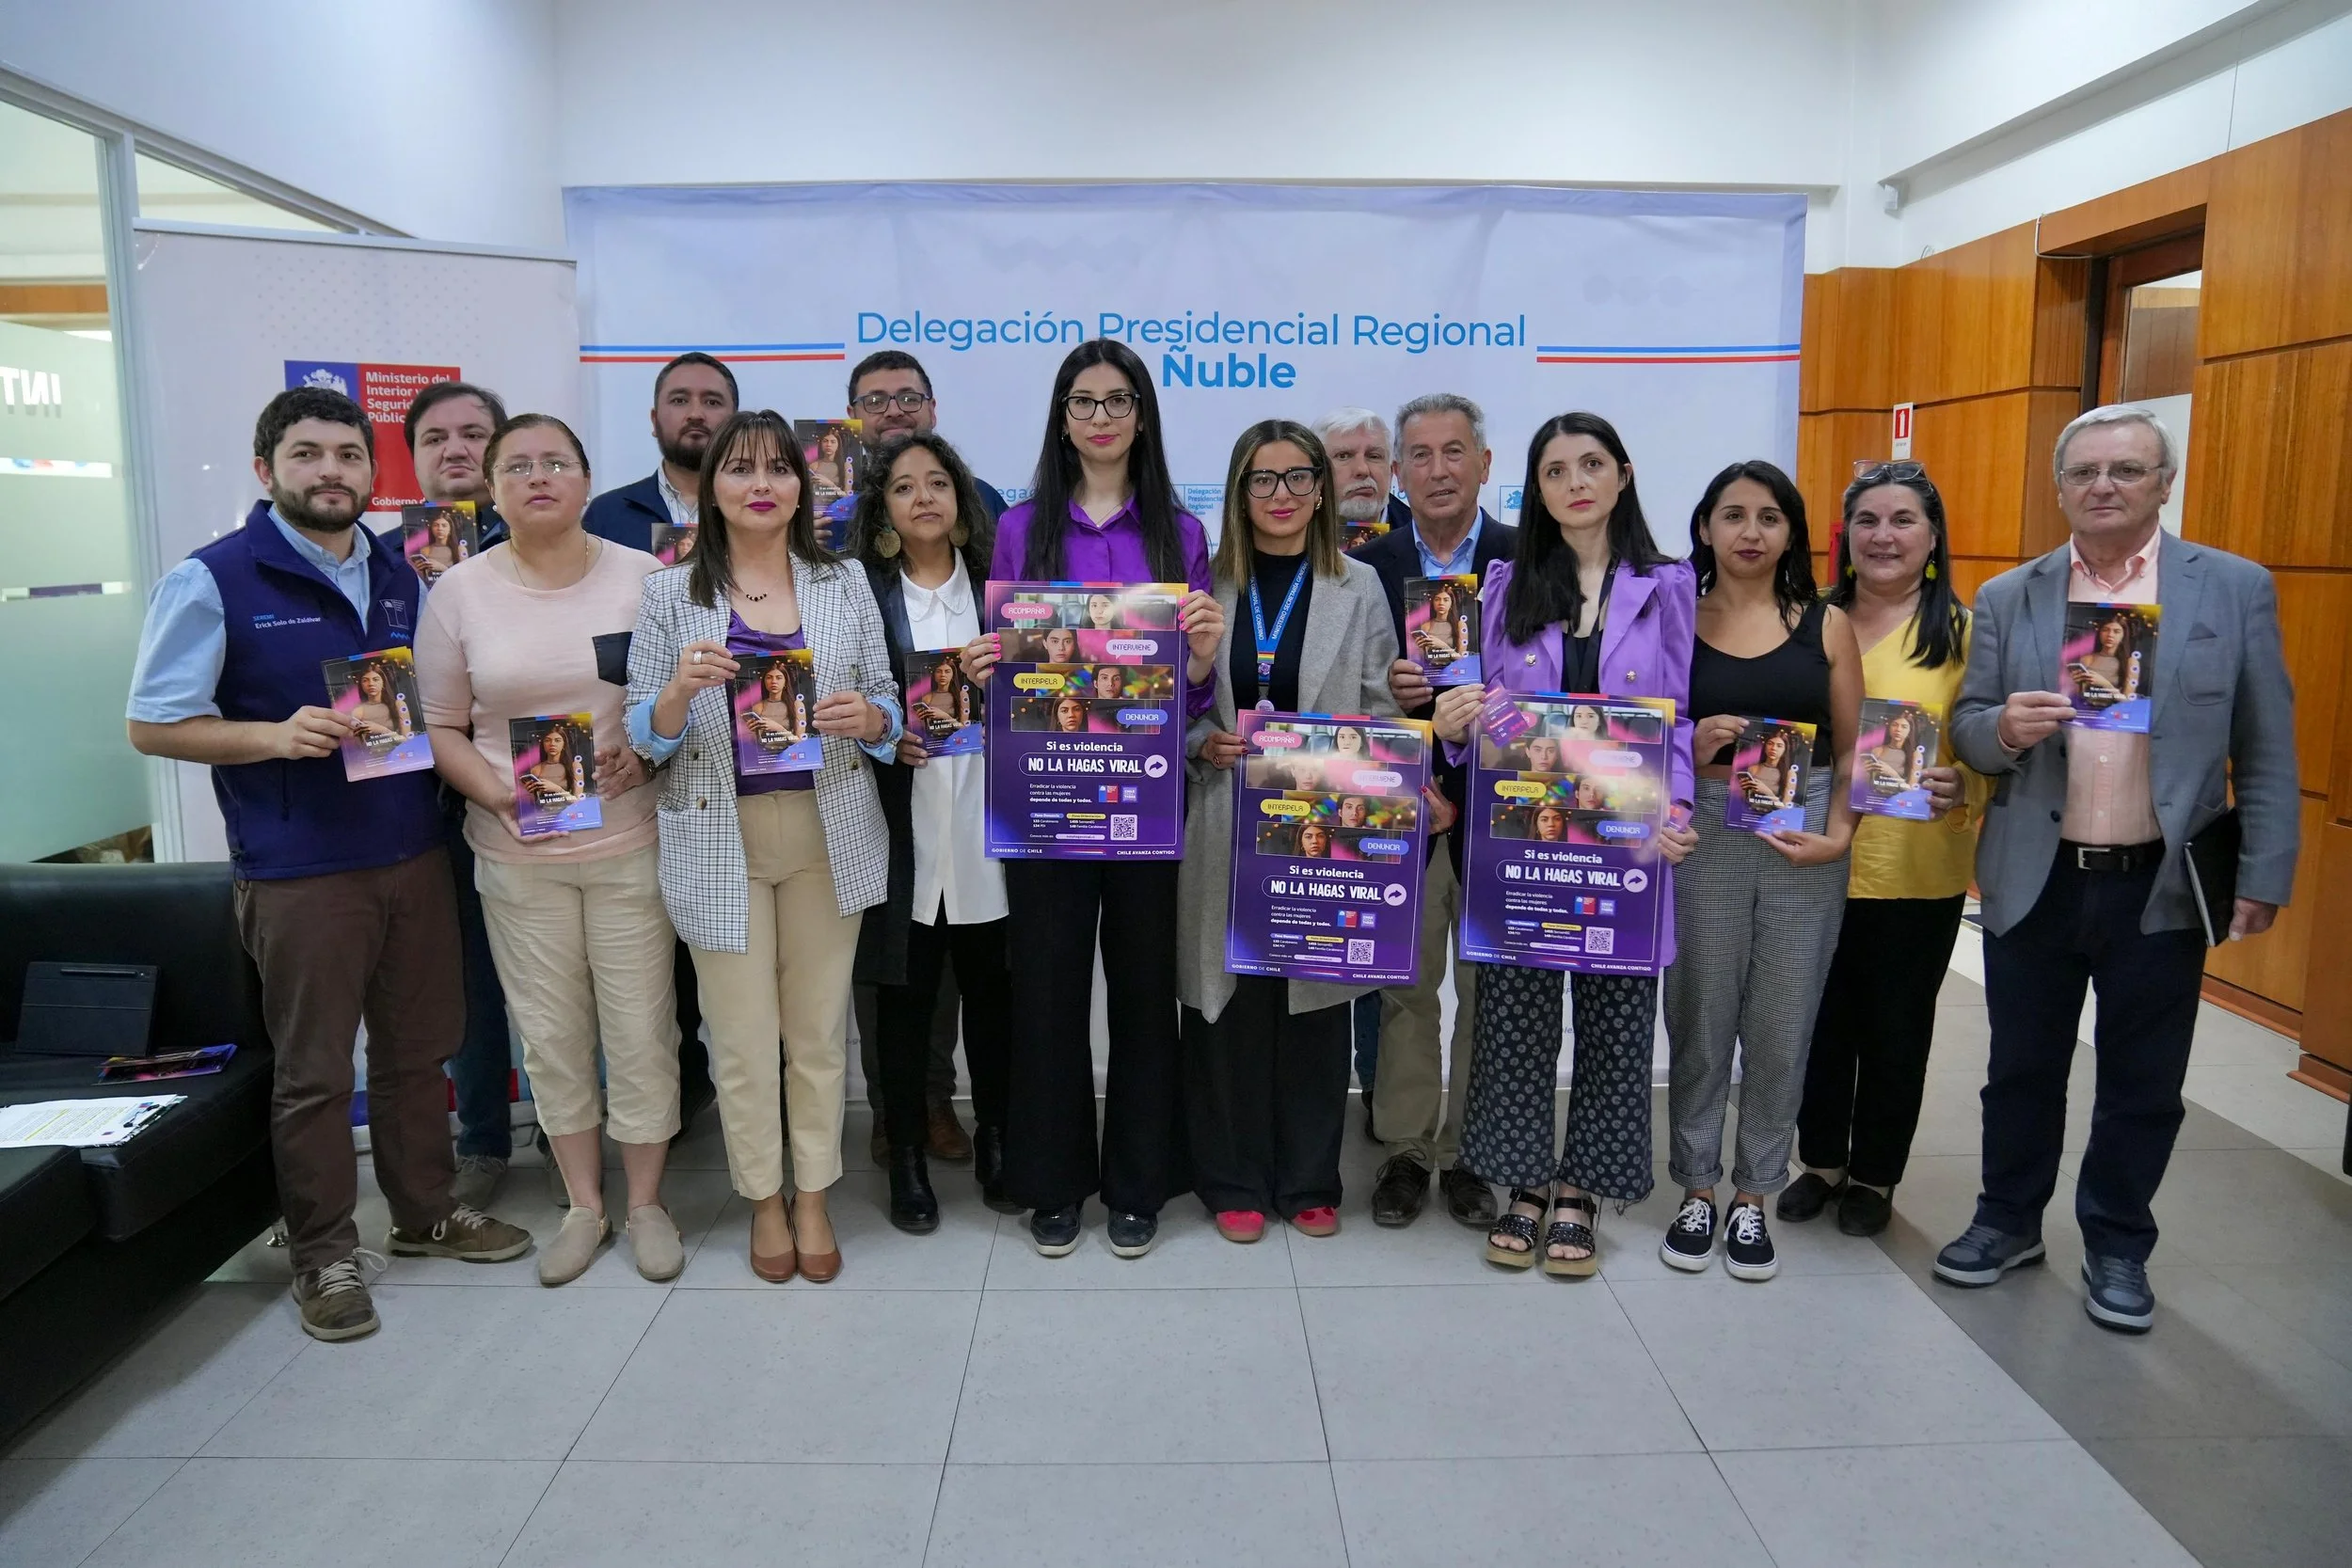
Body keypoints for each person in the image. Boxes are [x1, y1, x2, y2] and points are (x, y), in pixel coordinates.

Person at [125, 388, 531, 1342]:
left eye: (348, 454)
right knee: (313, 1072)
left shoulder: (402, 568)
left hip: (411, 848)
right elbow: (151, 723)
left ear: (372, 471)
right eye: (307, 455)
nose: (331, 472)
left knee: (413, 1051)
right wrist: (271, 734)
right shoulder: (213, 578)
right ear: (266, 471)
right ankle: (323, 1252)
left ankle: (427, 1211)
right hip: (299, 868)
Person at [1936, 404, 2296, 1333]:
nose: (2104, 485)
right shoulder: (2015, 593)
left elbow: (2265, 744)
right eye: (2086, 471)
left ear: (2163, 481)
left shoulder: (2230, 589)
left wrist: (2263, 869)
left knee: (2144, 1077)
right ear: (2059, 486)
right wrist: (2002, 729)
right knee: (2018, 1066)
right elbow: (1968, 726)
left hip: (2160, 880)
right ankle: (2006, 1218)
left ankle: (2119, 1241)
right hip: (2037, 871)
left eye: (2127, 470)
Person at [627, 409, 903, 1285]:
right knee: (742, 1039)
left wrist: (874, 719)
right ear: (709, 486)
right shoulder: (671, 592)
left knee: (818, 1033)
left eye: (779, 469)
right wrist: (677, 689)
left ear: (802, 485)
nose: (761, 484)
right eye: (740, 468)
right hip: (717, 833)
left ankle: (814, 1195)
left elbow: (890, 707)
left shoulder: (844, 581)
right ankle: (762, 1199)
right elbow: (645, 737)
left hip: (828, 828)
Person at [414, 413, 685, 1285]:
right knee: (553, 1035)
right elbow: (440, 726)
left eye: (557, 462)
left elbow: (676, 709)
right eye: (518, 464)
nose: (539, 476)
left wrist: (642, 751)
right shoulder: (457, 592)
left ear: (585, 478)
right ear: (491, 488)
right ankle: (584, 1204)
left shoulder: (646, 580)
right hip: (514, 852)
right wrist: (495, 792)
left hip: (628, 841)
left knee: (643, 1029)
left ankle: (644, 1203)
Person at [1431, 411, 1696, 1275]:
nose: (1576, 481)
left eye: (1591, 464)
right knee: (1515, 1018)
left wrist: (1679, 807)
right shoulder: (1503, 585)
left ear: (1622, 475)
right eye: (1556, 470)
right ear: (1536, 489)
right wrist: (1456, 721)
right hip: (1526, 846)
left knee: (1618, 1024)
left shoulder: (1669, 585)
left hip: (1628, 842)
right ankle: (1524, 1185)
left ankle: (1582, 1187)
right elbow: (1479, 720)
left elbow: (1680, 717)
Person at [988, 339, 1223, 1259]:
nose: (1099, 416)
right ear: (1061, 416)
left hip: (1144, 797)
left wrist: (1199, 657)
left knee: (1140, 991)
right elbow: (1005, 666)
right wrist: (988, 656)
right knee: (1043, 992)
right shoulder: (1018, 529)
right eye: (1082, 401)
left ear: (1140, 416)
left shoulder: (1180, 533)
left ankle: (1137, 1182)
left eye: (1116, 400)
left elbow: (1193, 696)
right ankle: (1052, 1184)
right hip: (1045, 797)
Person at [1181, 420, 1400, 1243]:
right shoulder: (1208, 588)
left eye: (1297, 477)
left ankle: (1310, 1177)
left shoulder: (1361, 585)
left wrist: (1350, 764)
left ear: (1322, 487)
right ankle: (1230, 1176)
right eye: (1262, 480)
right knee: (1228, 1004)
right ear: (1239, 492)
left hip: (1325, 827)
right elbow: (1173, 710)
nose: (1281, 495)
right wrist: (1205, 742)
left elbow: (1383, 711)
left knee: (1315, 1001)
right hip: (1225, 814)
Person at [1662, 459, 1861, 1282]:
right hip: (1701, 831)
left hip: (1799, 837)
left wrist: (1840, 835)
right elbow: (1639, 732)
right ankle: (1698, 1186)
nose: (1750, 532)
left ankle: (1755, 1195)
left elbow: (1857, 751)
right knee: (1701, 1020)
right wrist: (1690, 742)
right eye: (1732, 514)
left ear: (1793, 532)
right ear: (1704, 526)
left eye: (1769, 516)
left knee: (1782, 1026)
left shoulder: (1828, 624)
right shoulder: (1673, 613)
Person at [1782, 462, 1984, 1240]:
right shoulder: (1807, 619)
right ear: (1845, 537)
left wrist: (1962, 783)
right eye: (1867, 519)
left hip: (1911, 868)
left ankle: (1873, 1175)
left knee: (1896, 1030)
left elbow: (1985, 746)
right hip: (1809, 859)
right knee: (1817, 1022)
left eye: (1903, 520)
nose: (1884, 535)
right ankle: (1822, 1160)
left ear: (1933, 538)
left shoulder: (1965, 637)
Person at [1345, 394, 1518, 1229]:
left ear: (1485, 464)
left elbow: (1563, 688)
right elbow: (1346, 696)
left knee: (1487, 987)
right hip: (1404, 814)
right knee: (1405, 988)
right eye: (1420, 455)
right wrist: (1403, 709)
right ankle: (1408, 1150)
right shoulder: (1367, 568)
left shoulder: (1530, 560)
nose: (1439, 469)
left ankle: (1471, 1152)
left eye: (1456, 452)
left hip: (1506, 815)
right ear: (1397, 474)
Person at [850, 433, 1015, 1231]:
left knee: (993, 1003)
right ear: (882, 508)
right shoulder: (860, 596)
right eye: (904, 486)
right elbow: (845, 700)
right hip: (902, 833)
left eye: (939, 482)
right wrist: (888, 734)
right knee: (903, 1009)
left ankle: (997, 1142)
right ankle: (907, 1158)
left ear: (962, 500)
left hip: (989, 831)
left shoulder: (1000, 594)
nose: (924, 496)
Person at [583, 354, 733, 1154]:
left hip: (747, 771)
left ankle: (729, 1100)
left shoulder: (765, 507)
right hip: (631, 768)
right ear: (653, 418)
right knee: (654, 971)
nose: (696, 414)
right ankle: (665, 1120)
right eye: (680, 400)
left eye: (713, 401)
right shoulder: (604, 514)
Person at [405, 380, 520, 1208]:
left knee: (564, 971)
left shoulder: (546, 545)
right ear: (410, 458)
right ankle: (483, 1138)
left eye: (475, 434)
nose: (457, 450)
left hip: (540, 789)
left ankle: (567, 1126)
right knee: (467, 980)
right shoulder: (376, 559)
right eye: (437, 437)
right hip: (416, 807)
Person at [1319, 408, 1397, 1117]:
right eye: (1345, 456)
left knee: (1377, 960)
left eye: (1375, 453)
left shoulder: (1407, 552)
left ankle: (1381, 1101)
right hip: (1298, 788)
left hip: (1390, 783)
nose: (1363, 468)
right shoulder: (1264, 550)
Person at [845, 348, 1009, 518]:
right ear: (853, 417)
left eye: (909, 399)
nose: (894, 411)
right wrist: (814, 542)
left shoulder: (983, 499)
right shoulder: (829, 507)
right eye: (875, 402)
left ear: (932, 411)